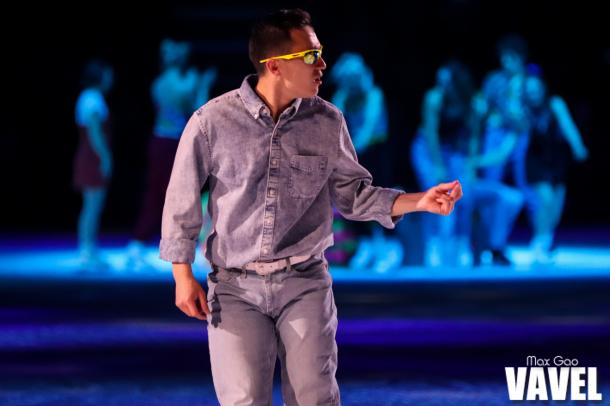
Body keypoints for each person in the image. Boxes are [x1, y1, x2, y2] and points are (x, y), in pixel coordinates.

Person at [160, 9, 463, 405]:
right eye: (310, 57)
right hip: (234, 288)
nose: (322, 65)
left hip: (304, 282)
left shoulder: (327, 121)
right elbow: (181, 198)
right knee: (244, 400)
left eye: (320, 54)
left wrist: (418, 201)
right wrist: (182, 275)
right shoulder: (211, 122)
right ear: (275, 67)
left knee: (315, 397)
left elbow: (354, 195)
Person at [126, 39, 217, 268]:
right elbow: (199, 109)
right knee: (164, 194)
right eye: (169, 49)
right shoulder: (178, 82)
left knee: (196, 193)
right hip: (168, 143)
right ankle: (138, 244)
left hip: (171, 142)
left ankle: (198, 242)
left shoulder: (167, 81)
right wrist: (204, 84)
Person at [330, 52, 403, 273]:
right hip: (356, 155)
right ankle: (365, 246)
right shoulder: (341, 96)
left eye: (354, 78)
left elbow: (369, 128)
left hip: (376, 153)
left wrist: (351, 151)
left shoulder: (374, 95)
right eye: (346, 79)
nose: (350, 83)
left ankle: (384, 247)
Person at [522, 72, 588, 263]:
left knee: (556, 210)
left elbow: (568, 126)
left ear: (543, 89)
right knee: (547, 200)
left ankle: (545, 241)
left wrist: (578, 146)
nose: (533, 94)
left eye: (536, 90)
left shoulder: (555, 104)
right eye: (529, 91)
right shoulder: (523, 110)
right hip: (535, 160)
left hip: (556, 159)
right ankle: (539, 244)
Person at [73, 59, 114, 269]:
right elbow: (95, 131)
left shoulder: (88, 97)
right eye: (107, 75)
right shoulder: (92, 98)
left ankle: (88, 249)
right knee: (92, 206)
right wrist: (105, 157)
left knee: (91, 206)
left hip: (89, 153)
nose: (110, 79)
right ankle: (87, 251)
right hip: (92, 155)